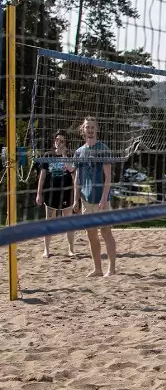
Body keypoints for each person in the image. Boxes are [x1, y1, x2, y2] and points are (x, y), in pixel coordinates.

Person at [72, 117, 117, 277]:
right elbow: (77, 178)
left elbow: (108, 177)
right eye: (87, 127)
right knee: (91, 235)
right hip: (86, 200)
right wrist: (76, 199)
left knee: (106, 232)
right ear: (83, 130)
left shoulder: (103, 149)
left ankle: (111, 269)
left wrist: (104, 198)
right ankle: (97, 269)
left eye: (92, 127)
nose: (90, 130)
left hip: (101, 199)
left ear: (97, 129)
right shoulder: (79, 152)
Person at [35, 129, 77, 258]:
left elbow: (73, 172)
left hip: (66, 192)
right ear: (54, 141)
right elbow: (42, 177)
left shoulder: (69, 155)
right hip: (51, 193)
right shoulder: (48, 155)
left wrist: (64, 155)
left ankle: (71, 249)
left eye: (62, 141)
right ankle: (46, 249)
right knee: (49, 221)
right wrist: (39, 194)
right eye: (57, 140)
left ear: (66, 143)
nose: (59, 142)